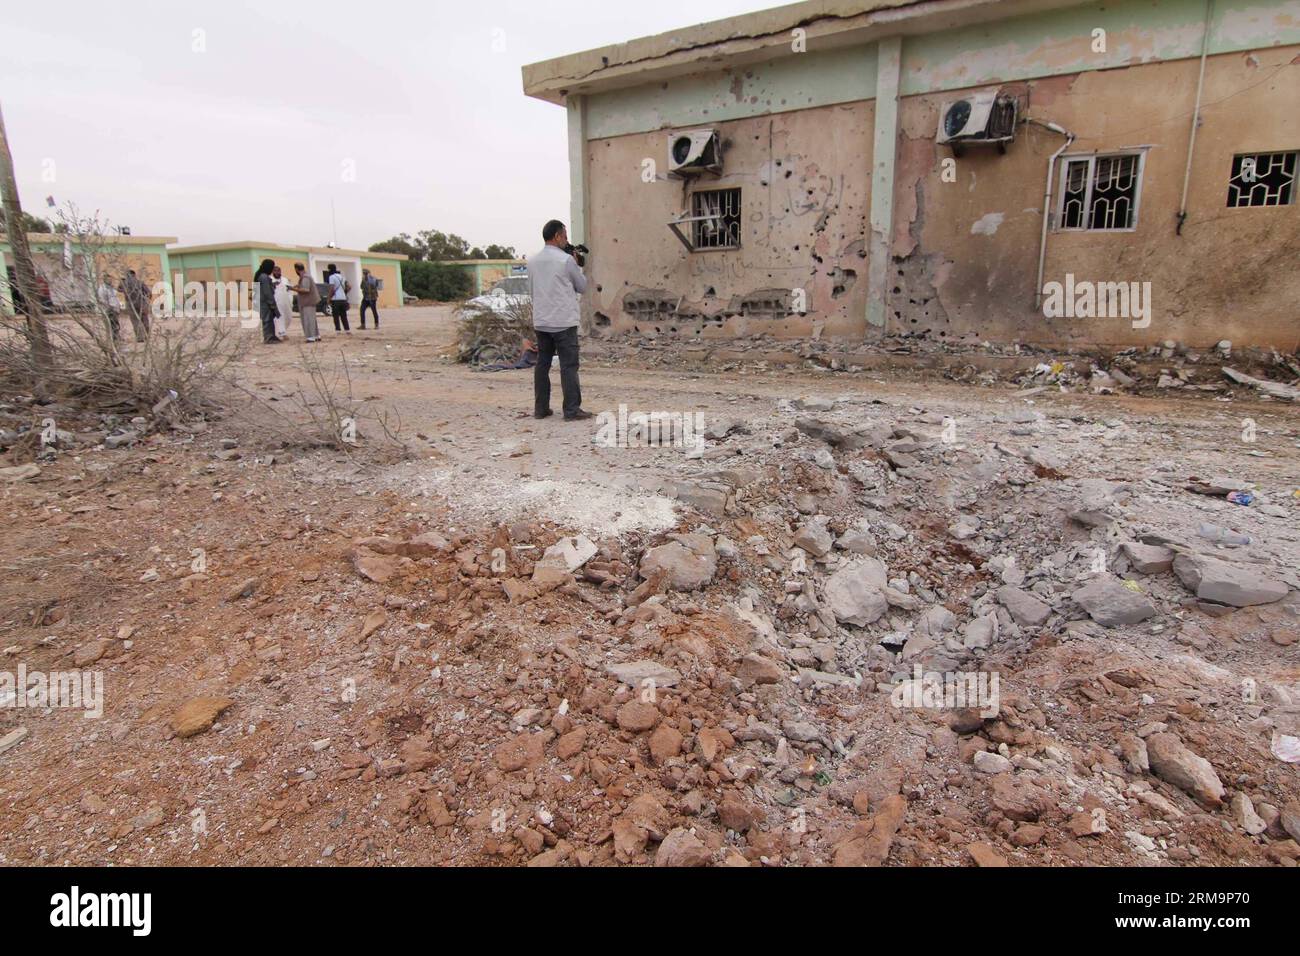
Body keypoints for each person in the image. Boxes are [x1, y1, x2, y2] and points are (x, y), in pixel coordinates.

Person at [529, 220, 591, 420]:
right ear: (556, 236)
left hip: (541, 321)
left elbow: (532, 290)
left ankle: (541, 409)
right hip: (563, 321)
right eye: (564, 236)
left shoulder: (532, 261)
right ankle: (571, 410)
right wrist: (576, 262)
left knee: (542, 364)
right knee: (568, 366)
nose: (566, 240)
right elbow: (582, 286)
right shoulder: (566, 260)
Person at [254, 258, 281, 345]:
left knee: (270, 319)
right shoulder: (264, 277)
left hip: (263, 301)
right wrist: (272, 303)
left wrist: (272, 285)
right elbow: (267, 292)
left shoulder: (261, 275)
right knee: (267, 320)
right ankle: (268, 338)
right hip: (265, 302)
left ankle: (272, 336)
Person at [293, 263, 320, 342]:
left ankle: (310, 337)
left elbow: (306, 290)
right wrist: (298, 286)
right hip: (309, 301)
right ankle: (316, 335)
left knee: (308, 319)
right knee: (312, 320)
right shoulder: (305, 276)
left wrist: (293, 289)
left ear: (297, 269)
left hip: (308, 302)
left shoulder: (305, 277)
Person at [121, 270, 151, 341]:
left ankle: (140, 338)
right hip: (142, 303)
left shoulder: (124, 283)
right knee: (144, 319)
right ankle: (146, 336)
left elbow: (119, 289)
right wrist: (146, 300)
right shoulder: (140, 282)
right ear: (134, 275)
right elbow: (149, 293)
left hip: (130, 304)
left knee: (135, 321)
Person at [326, 264, 350, 334]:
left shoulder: (331, 277)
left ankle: (338, 330)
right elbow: (349, 286)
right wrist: (344, 293)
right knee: (344, 315)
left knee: (336, 315)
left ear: (329, 269)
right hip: (343, 299)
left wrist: (329, 298)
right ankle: (347, 329)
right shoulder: (342, 277)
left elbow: (332, 289)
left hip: (336, 299)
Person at [97, 273, 122, 342]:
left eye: (111, 279)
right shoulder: (102, 289)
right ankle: (112, 339)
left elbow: (117, 297)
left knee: (116, 324)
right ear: (105, 280)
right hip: (109, 310)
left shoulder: (112, 288)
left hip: (115, 309)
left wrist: (119, 306)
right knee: (111, 325)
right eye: (108, 279)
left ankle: (116, 337)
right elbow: (101, 299)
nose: (110, 281)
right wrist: (109, 306)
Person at [271, 265, 293, 340]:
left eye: (278, 271)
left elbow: (289, 289)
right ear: (272, 272)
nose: (277, 272)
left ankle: (283, 331)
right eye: (275, 271)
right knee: (279, 317)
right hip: (277, 302)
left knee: (288, 317)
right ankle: (282, 333)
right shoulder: (270, 280)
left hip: (286, 302)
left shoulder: (285, 279)